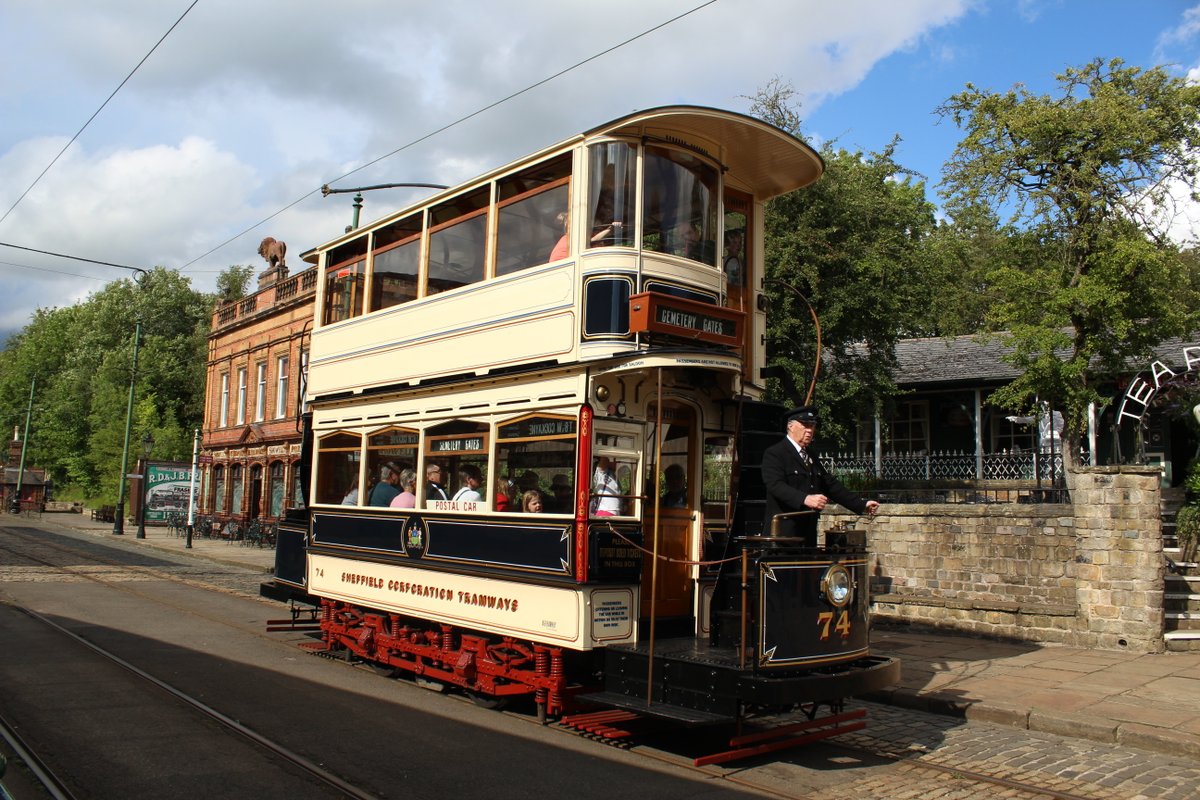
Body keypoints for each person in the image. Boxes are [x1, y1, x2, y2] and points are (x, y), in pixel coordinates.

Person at [761, 406, 879, 545]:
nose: (810, 430)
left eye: (812, 426)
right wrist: (804, 499)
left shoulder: (810, 455)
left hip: (807, 534)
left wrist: (861, 504)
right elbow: (775, 485)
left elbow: (830, 485)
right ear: (791, 426)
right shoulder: (776, 453)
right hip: (783, 535)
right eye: (805, 425)